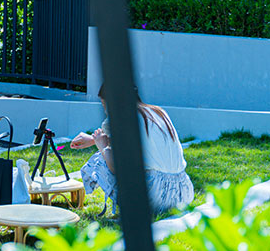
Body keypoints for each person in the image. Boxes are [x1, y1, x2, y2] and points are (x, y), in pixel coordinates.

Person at [70, 84, 194, 216]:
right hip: (183, 193)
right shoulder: (158, 112)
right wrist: (93, 139)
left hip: (154, 197)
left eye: (103, 104)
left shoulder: (122, 118)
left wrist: (102, 147)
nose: (105, 111)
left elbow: (116, 166)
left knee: (100, 159)